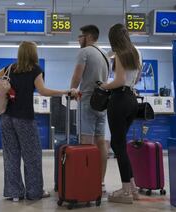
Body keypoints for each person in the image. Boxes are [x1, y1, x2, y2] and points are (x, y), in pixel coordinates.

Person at [0, 41, 76, 202]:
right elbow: (43, 91)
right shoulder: (35, 70)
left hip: (6, 118)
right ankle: (34, 192)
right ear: (33, 54)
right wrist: (64, 91)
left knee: (11, 156)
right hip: (24, 119)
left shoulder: (9, 68)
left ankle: (14, 192)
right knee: (32, 156)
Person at [99, 23, 142, 204]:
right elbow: (136, 78)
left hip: (119, 100)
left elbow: (119, 80)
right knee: (120, 145)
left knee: (118, 146)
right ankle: (132, 187)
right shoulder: (136, 52)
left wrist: (102, 86)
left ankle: (125, 191)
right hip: (132, 100)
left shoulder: (120, 55)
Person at [70, 25, 110, 192]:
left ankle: (85, 180)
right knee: (101, 142)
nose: (79, 39)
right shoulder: (105, 54)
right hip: (102, 102)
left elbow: (77, 76)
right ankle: (100, 181)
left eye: (80, 36)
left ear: (88, 37)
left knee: (85, 142)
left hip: (87, 101)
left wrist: (71, 90)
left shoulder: (84, 52)